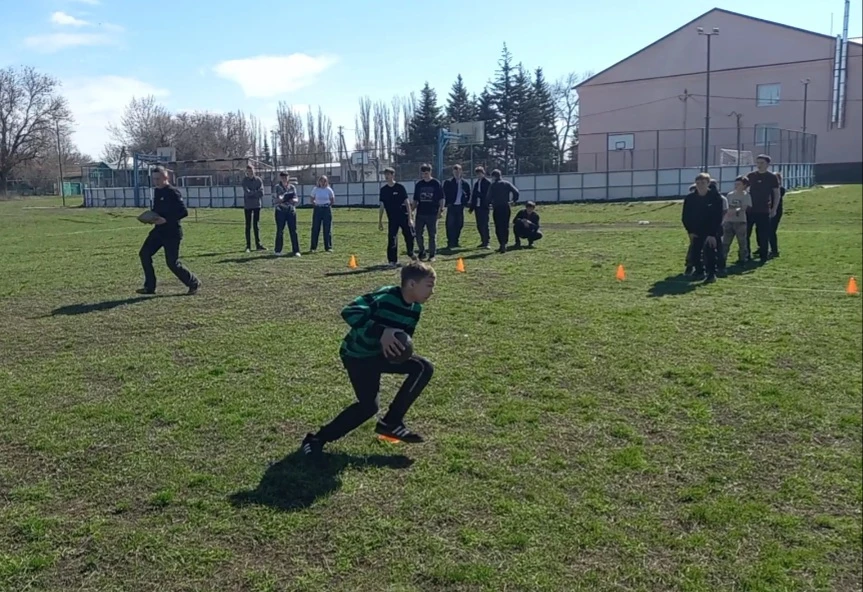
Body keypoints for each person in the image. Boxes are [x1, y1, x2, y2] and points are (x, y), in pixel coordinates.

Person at [300, 261, 437, 459]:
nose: (432, 291)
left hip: (379, 355)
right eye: (429, 286)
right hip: (358, 356)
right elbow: (349, 312)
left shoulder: (415, 309)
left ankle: (391, 421)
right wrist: (382, 331)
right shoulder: (386, 296)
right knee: (368, 407)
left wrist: (399, 351)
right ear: (411, 284)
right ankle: (315, 440)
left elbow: (404, 339)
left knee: (423, 368)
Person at [137, 166, 201, 295]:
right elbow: (158, 210)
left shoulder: (173, 192)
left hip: (172, 233)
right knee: (144, 254)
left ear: (166, 177)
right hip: (159, 231)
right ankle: (150, 287)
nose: (156, 181)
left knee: (172, 263)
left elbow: (183, 212)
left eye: (158, 178)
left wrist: (166, 220)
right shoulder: (157, 192)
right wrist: (151, 218)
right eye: (154, 179)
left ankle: (193, 282)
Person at [681, 172, 724, 284]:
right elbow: (685, 216)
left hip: (711, 231)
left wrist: (712, 234)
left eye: (703, 183)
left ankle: (711, 274)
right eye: (698, 183)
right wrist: (690, 231)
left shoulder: (716, 198)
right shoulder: (690, 198)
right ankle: (699, 272)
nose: (700, 185)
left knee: (710, 253)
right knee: (695, 253)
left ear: (708, 183)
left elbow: (718, 217)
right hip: (696, 231)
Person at [746, 154, 780, 263]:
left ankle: (763, 256)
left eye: (762, 163)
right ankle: (746, 255)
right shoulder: (751, 176)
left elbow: (776, 193)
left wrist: (774, 208)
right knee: (746, 233)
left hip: (763, 210)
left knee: (763, 234)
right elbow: (744, 190)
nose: (759, 165)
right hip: (750, 210)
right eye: (757, 163)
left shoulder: (771, 177)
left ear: (767, 164)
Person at [378, 167, 415, 267]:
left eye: (388, 174)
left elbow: (407, 203)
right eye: (385, 174)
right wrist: (380, 221)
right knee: (392, 238)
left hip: (403, 216)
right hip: (392, 218)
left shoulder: (400, 187)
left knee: (409, 236)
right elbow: (382, 206)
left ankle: (410, 252)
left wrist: (410, 218)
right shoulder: (383, 190)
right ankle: (392, 260)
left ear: (393, 175)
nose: (386, 176)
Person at [412, 164, 444, 262]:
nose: (424, 175)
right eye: (423, 174)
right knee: (418, 234)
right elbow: (415, 199)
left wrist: (441, 210)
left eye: (426, 173)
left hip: (432, 213)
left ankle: (432, 254)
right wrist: (411, 210)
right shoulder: (419, 184)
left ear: (430, 172)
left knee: (432, 235)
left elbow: (441, 198)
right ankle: (422, 252)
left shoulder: (436, 183)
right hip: (420, 213)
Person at [722, 176, 752, 265]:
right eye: (735, 184)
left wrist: (735, 211)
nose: (736, 186)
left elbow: (744, 207)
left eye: (739, 184)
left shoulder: (746, 195)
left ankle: (743, 259)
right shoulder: (730, 195)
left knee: (742, 242)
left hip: (740, 221)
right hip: (729, 221)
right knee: (725, 242)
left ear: (744, 185)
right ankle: (722, 259)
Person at [488, 169, 520, 253]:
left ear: (494, 177)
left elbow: (488, 197)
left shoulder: (493, 185)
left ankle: (501, 243)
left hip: (497, 208)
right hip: (506, 207)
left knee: (498, 226)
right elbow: (516, 192)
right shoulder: (506, 183)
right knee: (505, 226)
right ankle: (504, 244)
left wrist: (489, 204)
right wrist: (513, 201)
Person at [442, 164, 471, 250]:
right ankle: (450, 242)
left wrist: (465, 202)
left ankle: (456, 241)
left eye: (458, 170)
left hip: (460, 207)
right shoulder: (448, 182)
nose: (457, 172)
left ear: (461, 171)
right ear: (453, 172)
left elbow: (468, 193)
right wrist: (447, 203)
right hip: (452, 206)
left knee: (459, 224)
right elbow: (444, 193)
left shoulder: (465, 183)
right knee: (450, 225)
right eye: (455, 171)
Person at [273, 172, 300, 257]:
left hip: (291, 211)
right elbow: (274, 200)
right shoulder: (277, 187)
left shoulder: (292, 187)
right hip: (280, 210)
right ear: (280, 178)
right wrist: (280, 200)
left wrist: (293, 200)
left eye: (286, 177)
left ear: (288, 177)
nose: (284, 178)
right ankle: (278, 250)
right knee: (280, 231)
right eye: (283, 177)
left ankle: (296, 250)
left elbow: (296, 198)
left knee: (293, 231)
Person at [242, 165, 266, 252]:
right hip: (248, 206)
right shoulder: (244, 181)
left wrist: (252, 193)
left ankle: (258, 245)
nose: (250, 172)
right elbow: (247, 192)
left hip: (257, 206)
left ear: (254, 171)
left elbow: (262, 192)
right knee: (248, 226)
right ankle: (248, 246)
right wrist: (255, 193)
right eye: (248, 171)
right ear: (246, 172)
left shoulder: (258, 180)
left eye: (251, 171)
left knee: (256, 225)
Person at [309, 175, 335, 252]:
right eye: (321, 181)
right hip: (318, 209)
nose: (323, 183)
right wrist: (316, 204)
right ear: (319, 182)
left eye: (324, 181)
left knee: (327, 228)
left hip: (326, 209)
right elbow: (311, 199)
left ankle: (328, 247)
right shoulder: (315, 189)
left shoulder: (329, 190)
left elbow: (332, 199)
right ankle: (313, 247)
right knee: (315, 228)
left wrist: (328, 205)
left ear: (326, 182)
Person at [470, 166, 492, 249]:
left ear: (483, 173)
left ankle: (487, 241)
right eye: (477, 174)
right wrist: (472, 207)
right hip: (477, 207)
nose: (479, 175)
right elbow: (474, 195)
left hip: (484, 206)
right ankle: (483, 240)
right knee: (479, 225)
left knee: (485, 224)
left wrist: (480, 195)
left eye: (480, 173)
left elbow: (488, 195)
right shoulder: (476, 183)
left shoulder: (487, 183)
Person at [768, 172, 786, 259]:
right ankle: (762, 247)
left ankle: (774, 250)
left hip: (776, 211)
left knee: (771, 231)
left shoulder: (780, 189)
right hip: (766, 211)